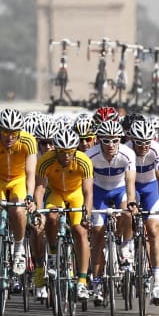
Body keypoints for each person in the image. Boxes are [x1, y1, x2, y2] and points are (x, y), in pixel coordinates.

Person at [30, 128, 94, 300]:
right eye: (62, 152)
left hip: (75, 194)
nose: (66, 156)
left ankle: (82, 281)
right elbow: (40, 188)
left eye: (70, 152)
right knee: (50, 218)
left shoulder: (84, 161)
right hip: (56, 192)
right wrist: (38, 210)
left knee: (80, 231)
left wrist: (86, 215)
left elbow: (88, 192)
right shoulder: (45, 160)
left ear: (75, 150)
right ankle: (51, 254)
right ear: (56, 150)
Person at [0, 107, 37, 283]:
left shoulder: (28, 141)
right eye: (6, 132)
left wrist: (29, 196)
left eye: (14, 133)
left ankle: (19, 249)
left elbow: (30, 173)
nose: (10, 137)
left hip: (18, 180)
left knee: (19, 211)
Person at [87, 119, 136, 305]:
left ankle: (125, 246)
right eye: (106, 140)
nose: (111, 145)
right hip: (98, 191)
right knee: (97, 237)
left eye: (115, 140)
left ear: (120, 139)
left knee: (128, 213)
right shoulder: (90, 155)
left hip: (120, 190)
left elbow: (130, 182)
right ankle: (98, 283)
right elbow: (88, 188)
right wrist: (88, 210)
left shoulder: (127, 153)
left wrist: (131, 202)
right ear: (99, 140)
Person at [126, 119, 159, 305]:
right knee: (127, 217)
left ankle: (157, 282)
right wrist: (131, 202)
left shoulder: (157, 149)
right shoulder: (126, 150)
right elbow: (127, 182)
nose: (143, 146)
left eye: (146, 142)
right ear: (132, 140)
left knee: (153, 231)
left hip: (151, 188)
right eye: (139, 143)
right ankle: (127, 250)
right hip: (133, 186)